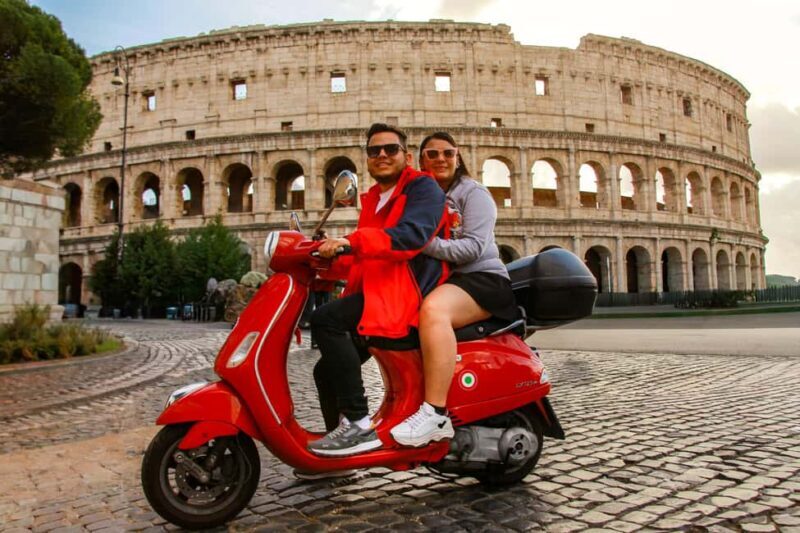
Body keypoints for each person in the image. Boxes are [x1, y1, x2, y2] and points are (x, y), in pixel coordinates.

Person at [306, 123, 447, 457]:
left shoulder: (423, 188)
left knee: (326, 319)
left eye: (390, 149)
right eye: (374, 150)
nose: (382, 155)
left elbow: (410, 237)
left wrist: (349, 242)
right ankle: (339, 450)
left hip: (405, 294)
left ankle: (357, 424)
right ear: (367, 158)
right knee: (326, 370)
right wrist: (323, 261)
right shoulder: (372, 199)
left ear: (407, 156)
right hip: (378, 295)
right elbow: (366, 256)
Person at [390, 131, 519, 447]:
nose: (440, 160)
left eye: (447, 153)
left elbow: (473, 248)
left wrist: (421, 243)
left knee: (433, 312)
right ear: (420, 161)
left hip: (482, 280)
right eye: (431, 154)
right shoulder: (421, 196)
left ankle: (435, 414)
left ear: (458, 157)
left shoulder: (473, 193)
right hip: (447, 281)